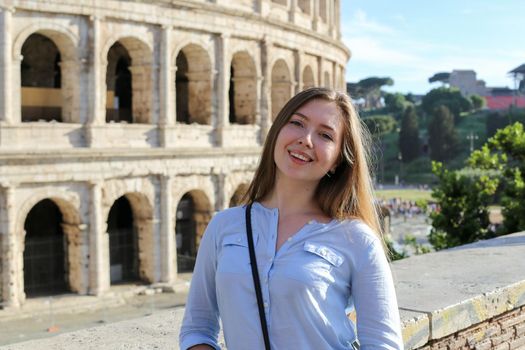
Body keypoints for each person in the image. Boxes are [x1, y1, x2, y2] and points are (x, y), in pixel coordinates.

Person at [179, 87, 403, 349]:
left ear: (337, 161)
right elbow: (197, 328)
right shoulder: (224, 226)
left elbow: (383, 345)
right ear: (277, 132)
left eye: (325, 135)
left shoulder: (357, 239)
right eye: (297, 123)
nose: (306, 139)